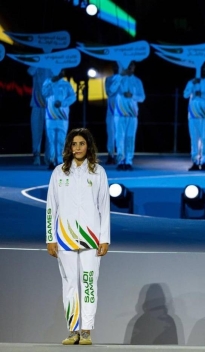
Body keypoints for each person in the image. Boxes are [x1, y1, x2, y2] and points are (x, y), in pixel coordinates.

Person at [46, 127, 111, 346]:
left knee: (89, 283)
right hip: (64, 238)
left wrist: (104, 238)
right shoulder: (59, 172)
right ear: (69, 147)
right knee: (70, 284)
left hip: (91, 238)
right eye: (74, 144)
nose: (77, 148)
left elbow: (104, 206)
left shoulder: (98, 172)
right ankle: (72, 329)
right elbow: (50, 208)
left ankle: (86, 330)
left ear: (88, 146)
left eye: (81, 144)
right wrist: (50, 238)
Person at [109, 61, 145, 171]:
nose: (130, 68)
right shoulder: (118, 78)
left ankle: (128, 161)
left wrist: (132, 96)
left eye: (132, 67)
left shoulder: (137, 81)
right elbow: (111, 90)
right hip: (119, 114)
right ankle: (120, 161)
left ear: (134, 68)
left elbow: (142, 97)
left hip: (132, 114)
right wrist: (120, 76)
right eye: (128, 66)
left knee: (130, 138)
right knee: (119, 138)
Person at [42, 70, 76, 170]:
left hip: (62, 116)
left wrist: (63, 103)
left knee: (61, 140)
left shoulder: (66, 84)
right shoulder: (47, 82)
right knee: (51, 140)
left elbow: (73, 97)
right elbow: (44, 93)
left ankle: (60, 161)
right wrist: (52, 81)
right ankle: (51, 161)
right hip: (50, 116)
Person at [28, 66, 53, 166]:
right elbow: (30, 71)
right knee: (36, 131)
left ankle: (49, 157)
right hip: (37, 104)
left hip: (50, 105)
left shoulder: (53, 63)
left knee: (49, 133)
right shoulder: (37, 63)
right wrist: (40, 61)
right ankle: (36, 156)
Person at [104, 63, 120, 165]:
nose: (115, 68)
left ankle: (121, 156)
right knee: (111, 134)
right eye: (113, 67)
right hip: (111, 112)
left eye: (117, 67)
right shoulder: (108, 79)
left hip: (121, 112)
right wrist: (118, 79)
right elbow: (109, 91)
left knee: (120, 135)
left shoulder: (124, 79)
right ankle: (111, 155)